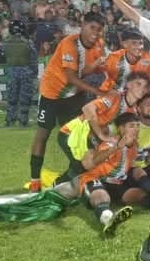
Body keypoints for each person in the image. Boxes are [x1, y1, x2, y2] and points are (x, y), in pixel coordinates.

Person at [28, 11, 106, 192]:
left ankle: (77, 174)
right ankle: (34, 180)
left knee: (84, 134)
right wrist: (98, 91)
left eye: (99, 29)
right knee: (43, 135)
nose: (95, 32)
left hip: (75, 96)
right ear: (82, 25)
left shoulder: (99, 45)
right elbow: (71, 77)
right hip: (52, 95)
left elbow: (90, 70)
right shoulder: (69, 43)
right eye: (92, 27)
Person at [56, 72, 150, 184]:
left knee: (86, 164)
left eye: (145, 86)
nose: (142, 89)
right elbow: (87, 108)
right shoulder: (115, 96)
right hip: (73, 133)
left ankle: (65, 187)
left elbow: (116, 129)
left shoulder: (132, 110)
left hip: (90, 137)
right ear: (129, 85)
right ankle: (57, 187)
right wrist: (102, 136)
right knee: (85, 164)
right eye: (138, 84)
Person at [73, 112, 150, 235]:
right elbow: (95, 160)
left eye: (137, 126)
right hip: (97, 179)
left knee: (138, 194)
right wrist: (117, 146)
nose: (135, 129)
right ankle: (108, 218)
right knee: (102, 196)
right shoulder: (110, 143)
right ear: (121, 128)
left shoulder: (134, 147)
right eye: (131, 126)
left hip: (117, 183)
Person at [99, 28, 150, 92]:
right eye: (134, 43)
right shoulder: (113, 57)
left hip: (135, 96)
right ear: (125, 44)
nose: (139, 47)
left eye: (140, 43)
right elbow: (105, 79)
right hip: (111, 93)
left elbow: (149, 86)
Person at [3, 20, 37, 127]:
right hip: (26, 71)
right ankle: (23, 120)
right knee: (25, 98)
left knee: (12, 97)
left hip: (12, 71)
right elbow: (33, 59)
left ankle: (10, 120)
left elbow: (4, 54)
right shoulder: (28, 42)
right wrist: (34, 73)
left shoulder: (6, 41)